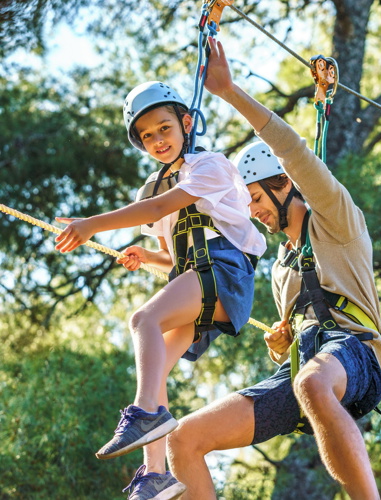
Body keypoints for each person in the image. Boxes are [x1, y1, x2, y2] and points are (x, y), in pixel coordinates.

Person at [166, 38, 381, 500]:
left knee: (312, 381)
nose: (252, 212)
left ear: (283, 184)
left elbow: (290, 148)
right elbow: (298, 343)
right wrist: (281, 345)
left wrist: (227, 91)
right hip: (307, 369)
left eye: (255, 198)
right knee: (183, 439)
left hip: (356, 355)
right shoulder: (280, 268)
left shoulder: (336, 218)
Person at [54, 80, 266, 499]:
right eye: (147, 136)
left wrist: (90, 224)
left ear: (186, 123)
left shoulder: (209, 165)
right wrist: (147, 257)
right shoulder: (151, 185)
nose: (157, 140)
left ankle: (144, 413)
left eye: (164, 128)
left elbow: (157, 210)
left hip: (225, 273)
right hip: (197, 279)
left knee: (143, 319)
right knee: (156, 367)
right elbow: (173, 256)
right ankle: (155, 474)